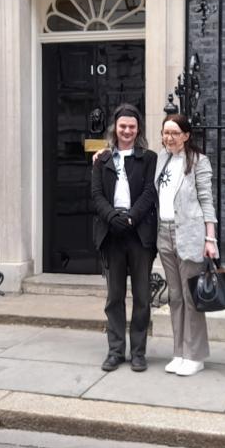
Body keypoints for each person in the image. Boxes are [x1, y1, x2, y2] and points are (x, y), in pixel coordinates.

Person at [91, 103, 157, 372]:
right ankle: (116, 350)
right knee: (114, 296)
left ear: (138, 128)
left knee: (142, 296)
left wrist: (131, 217)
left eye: (132, 126)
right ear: (115, 129)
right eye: (122, 126)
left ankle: (139, 352)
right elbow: (96, 195)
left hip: (139, 233)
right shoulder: (102, 159)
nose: (127, 131)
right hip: (112, 233)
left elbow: (150, 193)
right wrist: (113, 217)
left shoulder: (149, 157)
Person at [154, 114, 218, 376]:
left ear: (186, 135)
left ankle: (196, 355)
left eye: (174, 133)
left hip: (189, 234)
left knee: (192, 298)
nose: (169, 138)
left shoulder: (198, 161)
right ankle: (179, 352)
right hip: (164, 232)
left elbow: (206, 200)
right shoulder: (161, 158)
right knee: (175, 297)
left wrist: (210, 238)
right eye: (165, 132)